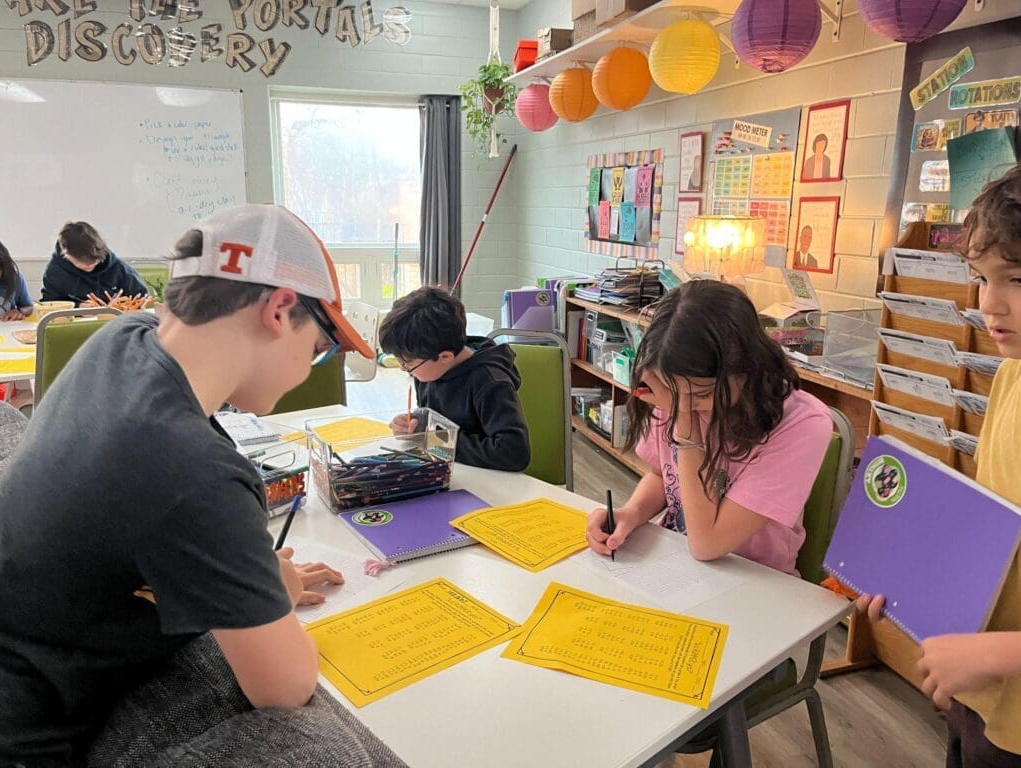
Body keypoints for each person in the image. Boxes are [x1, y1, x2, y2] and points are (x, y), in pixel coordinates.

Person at [0, 204, 407, 766]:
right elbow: (284, 689)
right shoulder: (188, 464)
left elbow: (157, 514)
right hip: (31, 733)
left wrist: (246, 568)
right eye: (319, 349)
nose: (310, 368)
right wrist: (278, 589)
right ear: (281, 310)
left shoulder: (122, 341)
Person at [858, 165, 1021, 768]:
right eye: (981, 279)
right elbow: (991, 525)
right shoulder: (1009, 374)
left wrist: (994, 655)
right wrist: (913, 579)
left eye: (1017, 279)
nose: (989, 305)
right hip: (981, 697)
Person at [585, 281, 832, 575]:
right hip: (677, 562)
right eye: (674, 391)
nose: (687, 404)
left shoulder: (802, 424)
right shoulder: (673, 386)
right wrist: (632, 512)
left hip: (755, 581)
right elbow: (662, 475)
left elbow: (707, 544)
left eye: (703, 394)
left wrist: (683, 420)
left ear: (747, 365)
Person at [379, 285, 530, 472]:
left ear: (444, 357)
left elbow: (514, 453)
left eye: (408, 364)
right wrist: (415, 423)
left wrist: (435, 441)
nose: (404, 369)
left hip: (487, 483)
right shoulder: (430, 369)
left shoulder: (490, 382)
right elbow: (437, 417)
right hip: (447, 471)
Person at [41, 221, 148, 304]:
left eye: (94, 261)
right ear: (66, 254)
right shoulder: (55, 271)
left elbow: (143, 297)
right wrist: (78, 306)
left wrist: (122, 306)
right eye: (82, 262)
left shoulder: (119, 268)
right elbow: (50, 303)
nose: (90, 265)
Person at [0, 239, 33, 321]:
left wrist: (19, 311)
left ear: (4, 269)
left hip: (6, 330)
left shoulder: (15, 279)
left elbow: (29, 308)